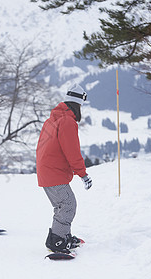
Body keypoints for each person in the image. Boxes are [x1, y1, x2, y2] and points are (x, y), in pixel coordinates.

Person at [36, 83, 93, 254]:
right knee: (68, 204)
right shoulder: (68, 121)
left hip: (47, 169)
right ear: (78, 104)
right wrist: (83, 174)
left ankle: (61, 236)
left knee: (62, 205)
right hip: (53, 172)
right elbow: (72, 150)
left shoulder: (52, 119)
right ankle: (58, 242)